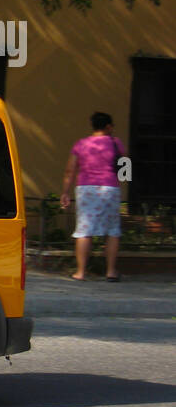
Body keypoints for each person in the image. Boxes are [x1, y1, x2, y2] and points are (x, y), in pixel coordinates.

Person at [61, 111, 125, 282]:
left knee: (84, 230)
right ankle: (111, 271)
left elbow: (70, 170)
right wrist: (120, 184)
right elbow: (125, 168)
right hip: (110, 188)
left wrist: (65, 192)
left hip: (86, 188)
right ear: (108, 127)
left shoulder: (81, 144)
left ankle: (80, 272)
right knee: (112, 230)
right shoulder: (116, 143)